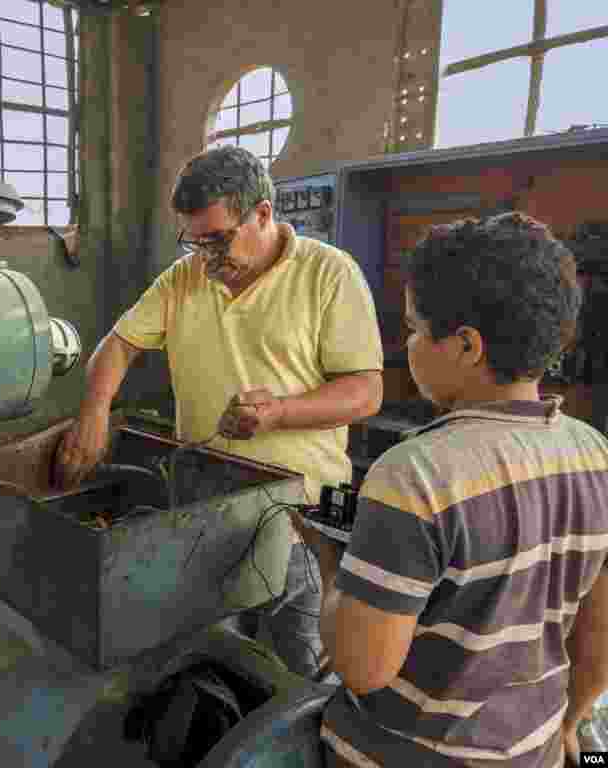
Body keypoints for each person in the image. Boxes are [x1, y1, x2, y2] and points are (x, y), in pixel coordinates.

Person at [54, 145, 384, 680]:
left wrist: (280, 412)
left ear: (262, 214)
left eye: (219, 239)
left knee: (296, 660)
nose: (207, 257)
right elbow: (117, 345)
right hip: (208, 498)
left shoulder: (330, 273)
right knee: (211, 648)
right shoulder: (184, 278)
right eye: (195, 241)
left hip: (311, 504)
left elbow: (367, 392)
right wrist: (92, 415)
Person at [294, 212, 608, 767]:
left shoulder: (416, 475)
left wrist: (331, 564)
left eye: (415, 329)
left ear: (466, 345)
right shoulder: (593, 453)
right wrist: (571, 721)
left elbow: (363, 668)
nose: (409, 344)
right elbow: (599, 628)